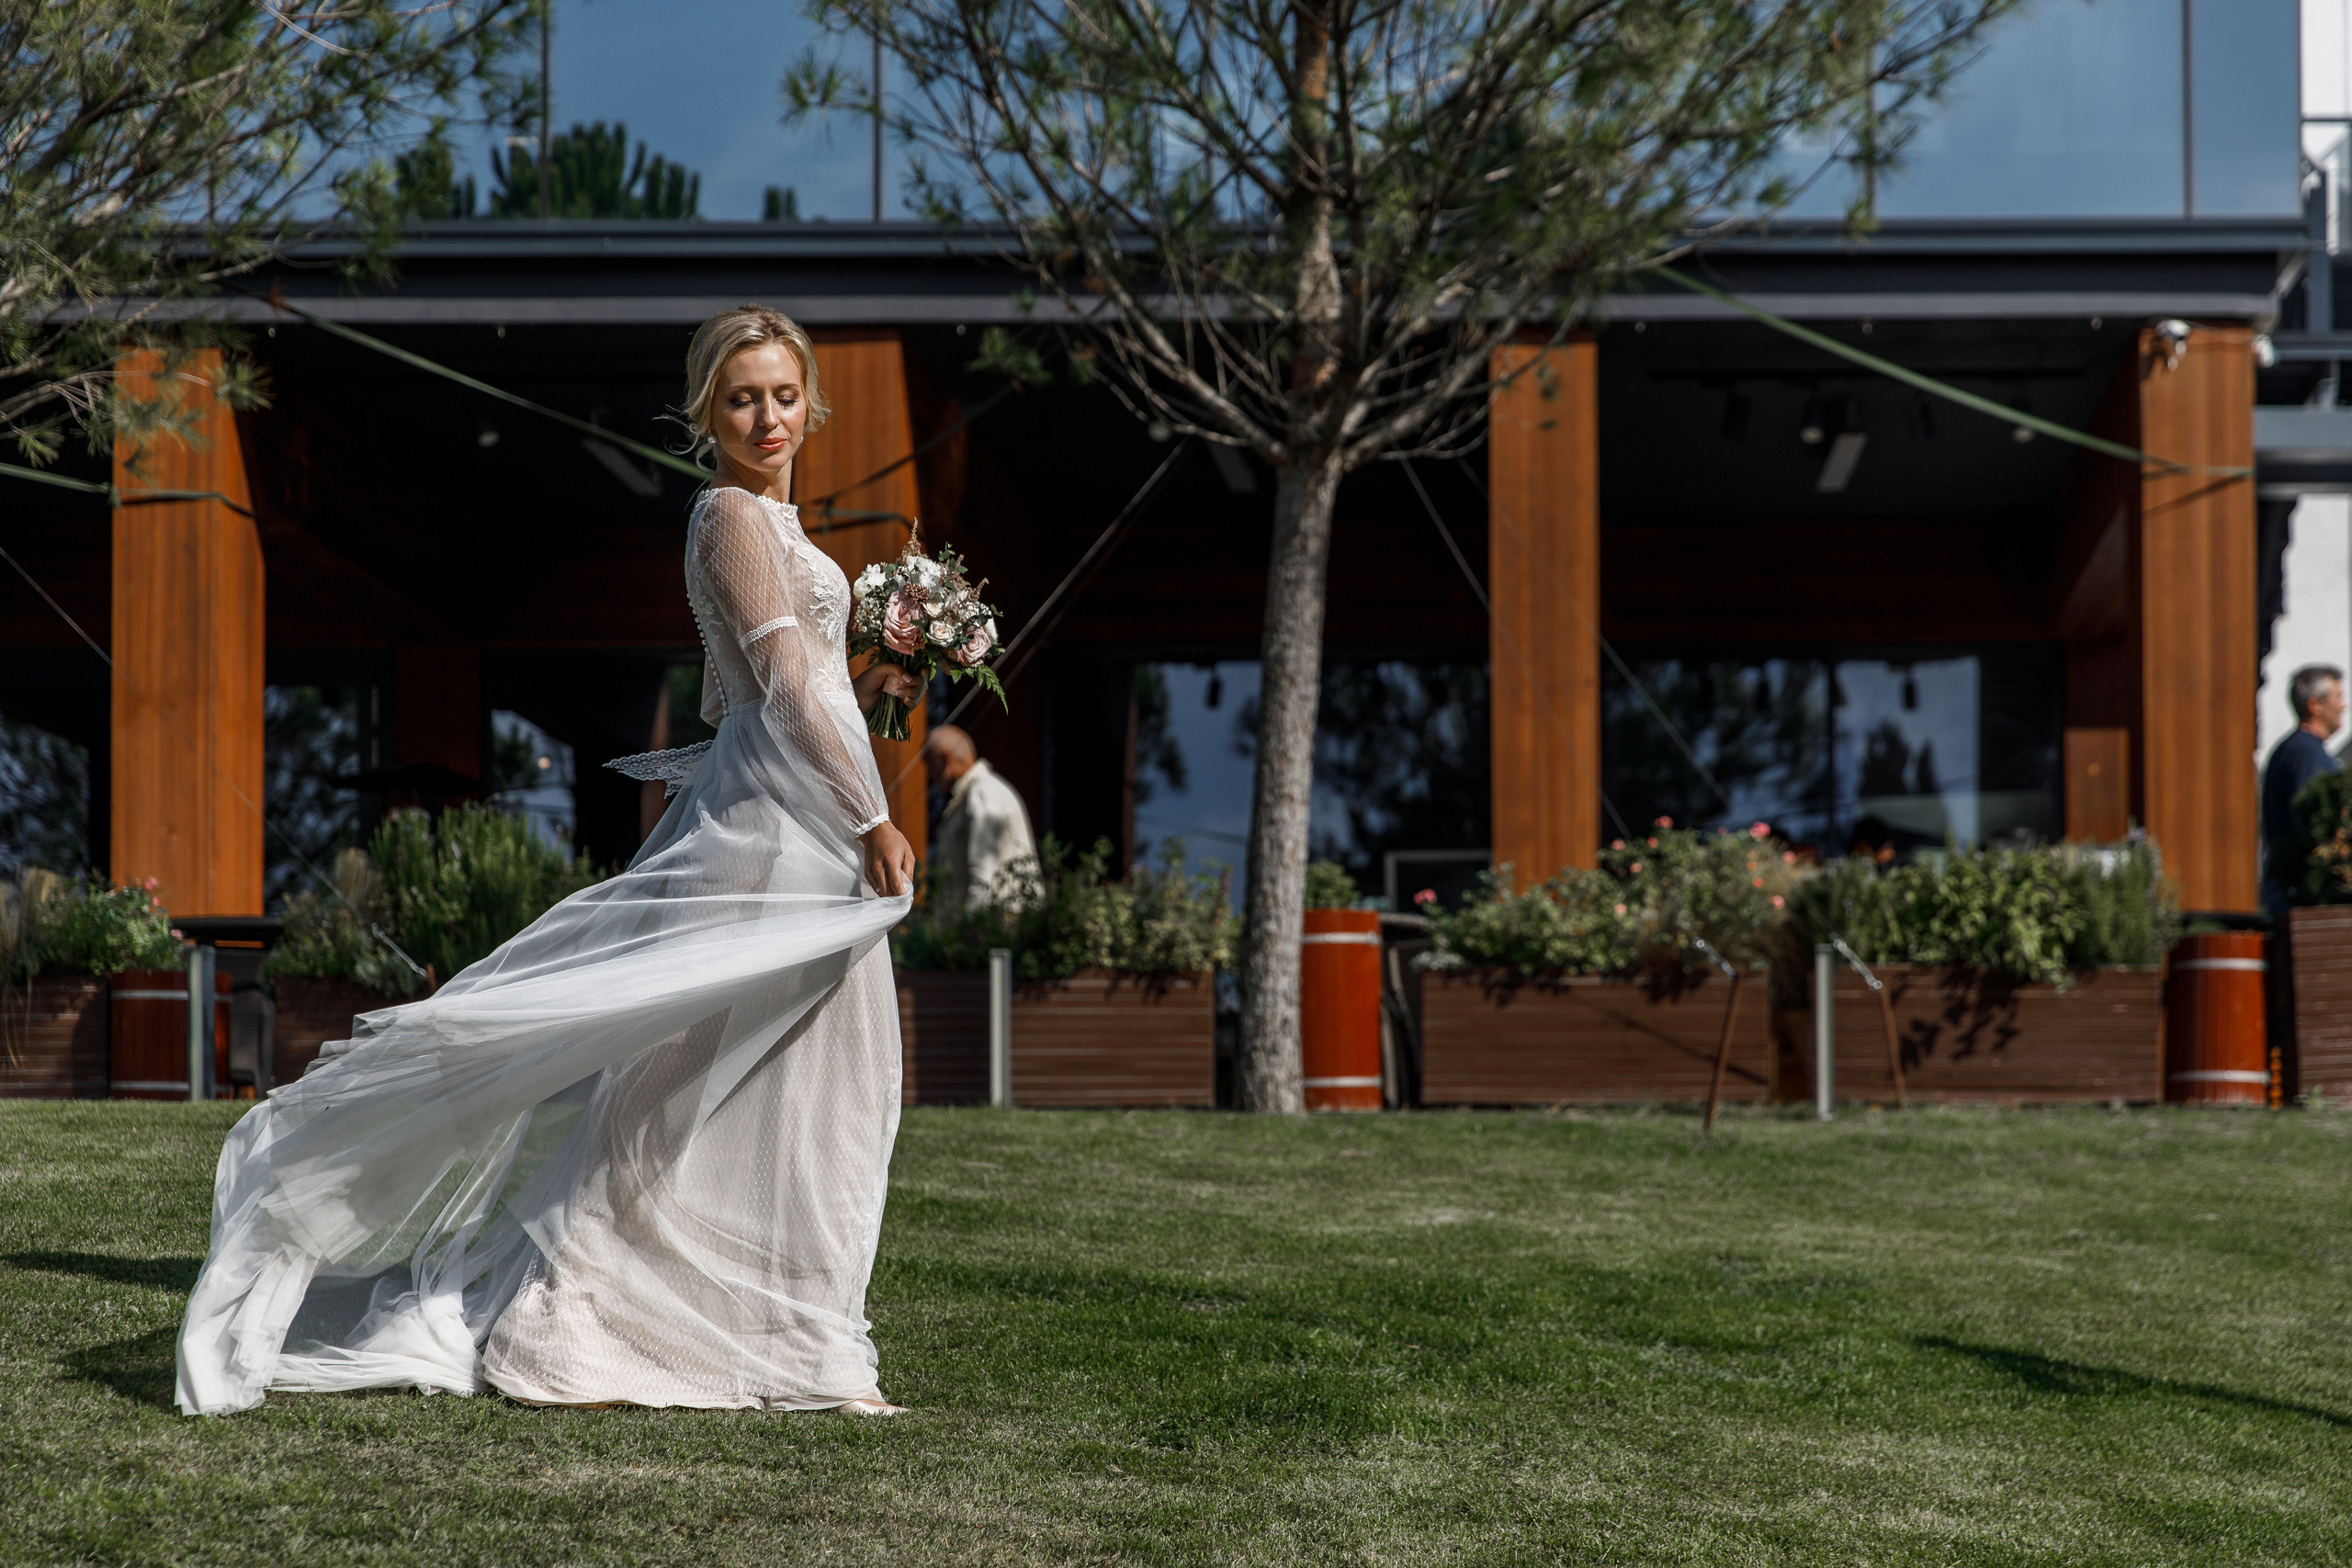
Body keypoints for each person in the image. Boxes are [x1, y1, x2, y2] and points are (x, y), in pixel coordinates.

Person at [175, 306, 922, 1417]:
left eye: (780, 396)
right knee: (678, 1087)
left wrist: (897, 669)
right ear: (705, 412)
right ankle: (577, 1317)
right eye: (740, 398)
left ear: (809, 403)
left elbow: (799, 693)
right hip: (776, 840)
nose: (766, 417)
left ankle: (785, 1334)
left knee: (806, 1087)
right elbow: (779, 692)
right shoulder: (727, 516)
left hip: (806, 828)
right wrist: (871, 817)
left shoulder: (781, 522)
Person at [923, 724, 1037, 912]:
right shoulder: (978, 791)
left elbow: (983, 875)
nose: (929, 774)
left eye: (929, 764)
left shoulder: (982, 795)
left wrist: (972, 931)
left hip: (998, 923)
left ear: (945, 759)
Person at [2262, 663, 2346, 918]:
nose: (2344, 705)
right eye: (2338, 697)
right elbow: (2312, 824)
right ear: (2314, 706)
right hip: (2300, 898)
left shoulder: (2301, 749)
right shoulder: (2306, 752)